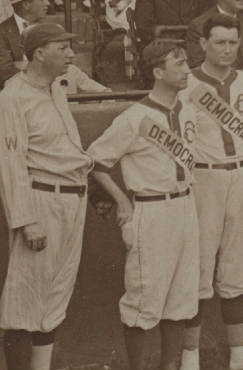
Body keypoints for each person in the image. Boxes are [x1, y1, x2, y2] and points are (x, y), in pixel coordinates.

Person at [85, 40, 201, 370]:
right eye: (177, 63)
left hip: (185, 205)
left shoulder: (189, 109)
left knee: (180, 297)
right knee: (144, 297)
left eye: (185, 62)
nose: (186, 69)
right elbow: (94, 161)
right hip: (150, 209)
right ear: (157, 72)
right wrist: (121, 200)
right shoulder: (135, 118)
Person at [180, 12, 243, 370]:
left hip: (241, 177)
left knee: (238, 266)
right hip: (201, 180)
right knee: (198, 267)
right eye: (219, 42)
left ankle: (240, 354)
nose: (226, 49)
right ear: (203, 44)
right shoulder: (186, 84)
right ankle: (189, 357)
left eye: (232, 42)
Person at [0, 24, 94, 370]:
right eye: (62, 48)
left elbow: (66, 150)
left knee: (54, 297)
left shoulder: (55, 90)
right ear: (39, 54)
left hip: (71, 195)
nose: (70, 54)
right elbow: (10, 165)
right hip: (39, 201)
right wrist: (25, 220)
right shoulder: (11, 99)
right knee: (24, 300)